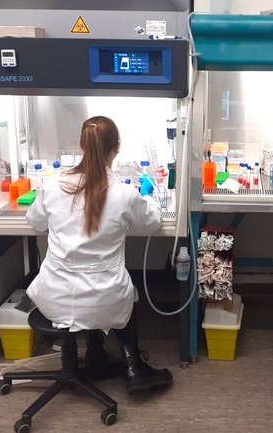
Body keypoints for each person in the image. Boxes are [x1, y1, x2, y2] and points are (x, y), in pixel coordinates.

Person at [26, 115, 172, 394]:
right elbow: (152, 223)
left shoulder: (54, 185)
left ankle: (95, 354)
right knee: (128, 295)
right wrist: (148, 198)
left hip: (55, 297)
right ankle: (133, 367)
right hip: (106, 299)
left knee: (111, 293)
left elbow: (35, 222)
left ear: (81, 145)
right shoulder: (123, 193)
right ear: (117, 148)